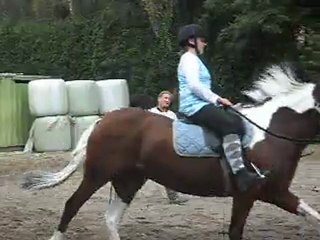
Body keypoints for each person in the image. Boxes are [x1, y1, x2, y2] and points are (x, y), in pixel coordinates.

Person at [177, 23, 267, 193]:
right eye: (202, 40)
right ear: (191, 41)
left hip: (202, 104)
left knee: (237, 122)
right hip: (193, 106)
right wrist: (217, 99)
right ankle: (240, 175)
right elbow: (195, 86)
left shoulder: (195, 60)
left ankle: (242, 165)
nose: (205, 43)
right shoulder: (188, 59)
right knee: (228, 125)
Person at [149, 90, 189, 204]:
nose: (167, 101)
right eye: (165, 98)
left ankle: (173, 196)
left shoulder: (172, 115)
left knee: (167, 169)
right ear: (159, 99)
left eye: (169, 99)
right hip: (152, 145)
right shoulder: (150, 113)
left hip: (166, 146)